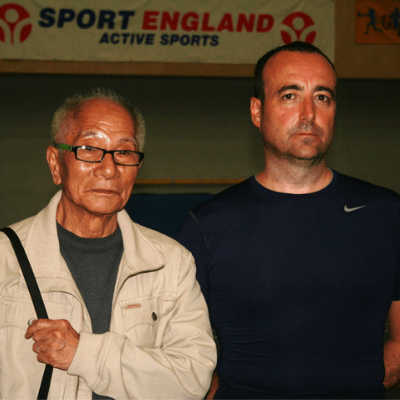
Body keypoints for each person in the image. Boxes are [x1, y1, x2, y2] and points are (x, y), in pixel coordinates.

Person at [175, 41, 400, 399]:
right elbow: (177, 351)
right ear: (256, 110)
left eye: (323, 97)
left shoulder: (387, 214)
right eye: (290, 95)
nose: (309, 113)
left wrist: (362, 385)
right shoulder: (207, 226)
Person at [0, 88, 216, 399]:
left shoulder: (171, 262)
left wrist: (84, 354)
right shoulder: (6, 259)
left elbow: (193, 378)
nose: (109, 169)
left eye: (124, 153)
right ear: (54, 163)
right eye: (89, 148)